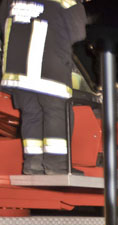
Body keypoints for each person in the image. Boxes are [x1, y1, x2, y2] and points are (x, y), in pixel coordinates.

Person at [0, 0, 87, 175]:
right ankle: (57, 165)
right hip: (49, 67)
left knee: (31, 113)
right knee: (58, 112)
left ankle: (33, 164)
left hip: (16, 68)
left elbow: (4, 24)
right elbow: (79, 36)